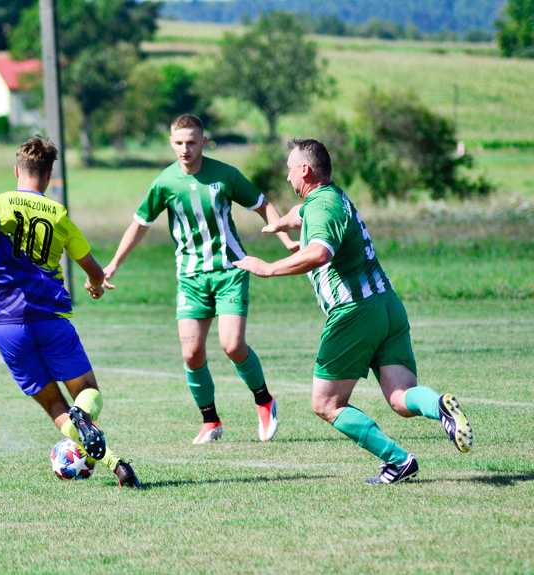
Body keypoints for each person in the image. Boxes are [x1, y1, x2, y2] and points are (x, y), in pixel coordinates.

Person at [234, 138, 473, 484]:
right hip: (387, 306)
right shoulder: (332, 197)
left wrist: (268, 267)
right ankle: (439, 406)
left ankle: (398, 459)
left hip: (353, 312)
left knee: (326, 404)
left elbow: (319, 253)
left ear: (305, 169)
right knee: (401, 398)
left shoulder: (322, 208)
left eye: (289, 170)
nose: (287, 178)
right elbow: (299, 214)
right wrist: (280, 225)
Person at [0, 136, 140, 488]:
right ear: (50, 175)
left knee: (54, 406)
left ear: (16, 171)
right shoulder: (60, 215)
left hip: (6, 325)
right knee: (87, 391)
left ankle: (114, 464)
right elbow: (94, 269)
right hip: (50, 318)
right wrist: (95, 285)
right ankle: (88, 423)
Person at [104, 114, 298, 445]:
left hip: (230, 271)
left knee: (232, 345)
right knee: (192, 354)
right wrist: (113, 265)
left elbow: (262, 204)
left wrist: (286, 240)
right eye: (179, 143)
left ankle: (264, 400)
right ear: (171, 143)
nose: (185, 149)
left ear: (204, 142)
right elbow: (139, 224)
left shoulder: (224, 175)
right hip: (191, 278)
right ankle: (211, 421)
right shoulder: (164, 183)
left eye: (192, 142)